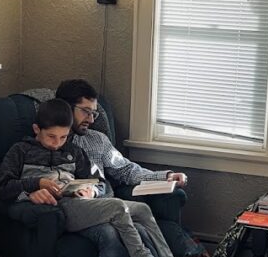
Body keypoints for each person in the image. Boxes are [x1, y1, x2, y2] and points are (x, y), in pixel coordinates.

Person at [0, 99, 203, 257]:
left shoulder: (75, 152)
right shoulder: (20, 151)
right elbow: (2, 188)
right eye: (51, 137)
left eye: (63, 137)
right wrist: (36, 184)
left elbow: (96, 181)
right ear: (36, 129)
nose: (57, 144)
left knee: (142, 210)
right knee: (117, 208)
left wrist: (90, 191)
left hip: (80, 203)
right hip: (58, 209)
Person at [55, 78, 187, 192]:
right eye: (86, 111)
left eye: (93, 113)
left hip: (105, 202)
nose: (91, 120)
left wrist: (166, 176)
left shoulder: (98, 140)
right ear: (65, 107)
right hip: (77, 207)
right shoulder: (47, 143)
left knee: (141, 214)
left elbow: (125, 170)